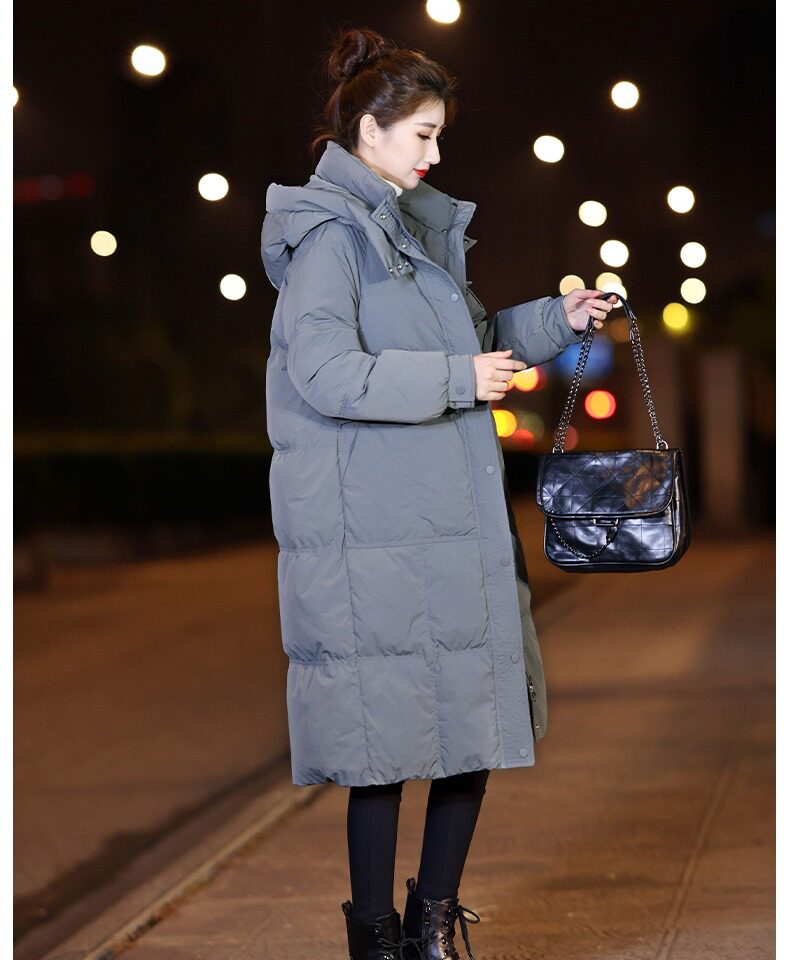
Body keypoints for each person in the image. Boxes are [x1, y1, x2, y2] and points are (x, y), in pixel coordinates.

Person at [260, 26, 616, 960]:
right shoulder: (329, 241)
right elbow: (326, 372)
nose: (435, 153)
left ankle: (430, 930)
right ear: (368, 132)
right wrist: (460, 380)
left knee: (471, 728)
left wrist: (557, 319)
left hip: (442, 525)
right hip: (373, 536)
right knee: (382, 751)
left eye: (438, 135)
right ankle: (376, 941)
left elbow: (473, 340)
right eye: (422, 134)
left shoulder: (412, 232)